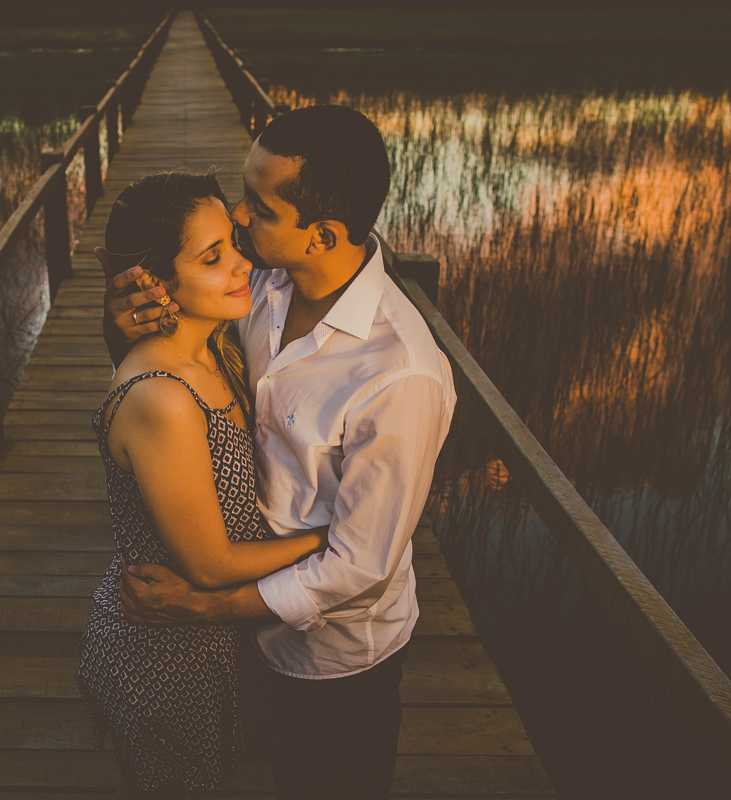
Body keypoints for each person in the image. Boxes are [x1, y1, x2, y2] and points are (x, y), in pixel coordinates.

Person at [98, 105, 457, 799]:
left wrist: (208, 606)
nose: (237, 217)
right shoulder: (260, 284)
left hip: (333, 662)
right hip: (243, 631)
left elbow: (360, 567)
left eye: (259, 208)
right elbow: (170, 366)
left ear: (321, 235)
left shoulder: (400, 374)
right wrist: (126, 328)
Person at [77, 170, 331, 799]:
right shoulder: (161, 397)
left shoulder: (219, 344)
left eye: (235, 244)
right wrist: (330, 536)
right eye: (212, 257)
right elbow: (212, 564)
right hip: (162, 650)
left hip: (212, 641)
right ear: (156, 281)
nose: (242, 264)